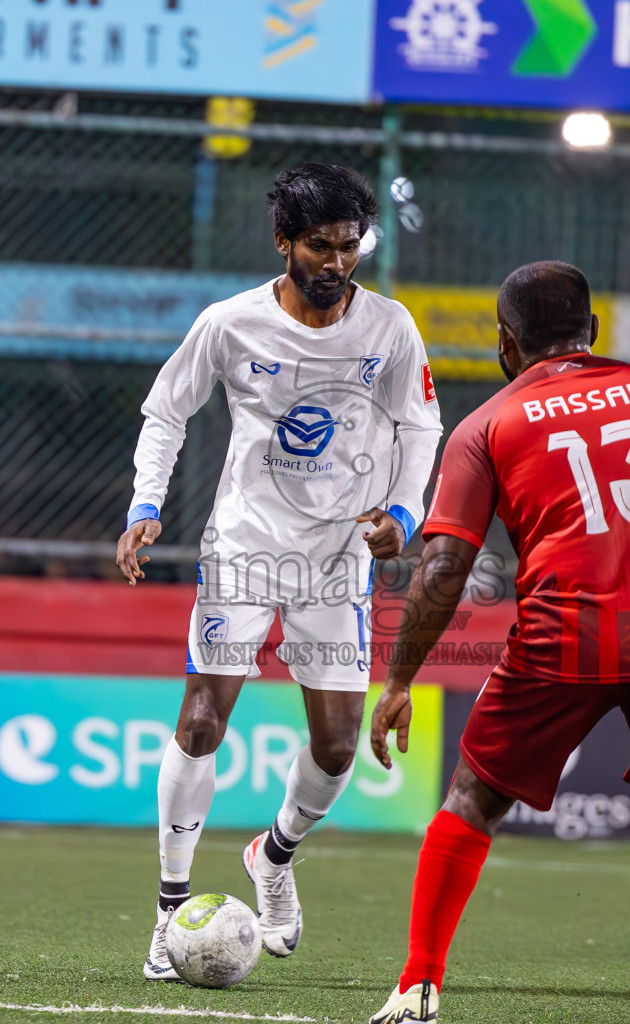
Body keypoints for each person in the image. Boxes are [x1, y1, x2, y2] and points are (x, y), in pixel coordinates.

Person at [366, 262, 630, 1024]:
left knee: (472, 799)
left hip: (569, 637)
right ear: (593, 333)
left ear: (504, 342)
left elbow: (448, 563)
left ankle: (419, 985)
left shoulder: (488, 424)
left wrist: (398, 682)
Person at [115, 163, 444, 980]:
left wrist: (404, 514)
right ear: (283, 242)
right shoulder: (231, 324)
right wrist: (144, 504)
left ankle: (273, 856)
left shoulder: (392, 328)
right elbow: (167, 408)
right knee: (201, 721)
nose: (337, 264)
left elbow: (421, 424)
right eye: (320, 247)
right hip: (244, 549)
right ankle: (168, 913)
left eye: (349, 247)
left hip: (338, 560)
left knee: (336, 749)